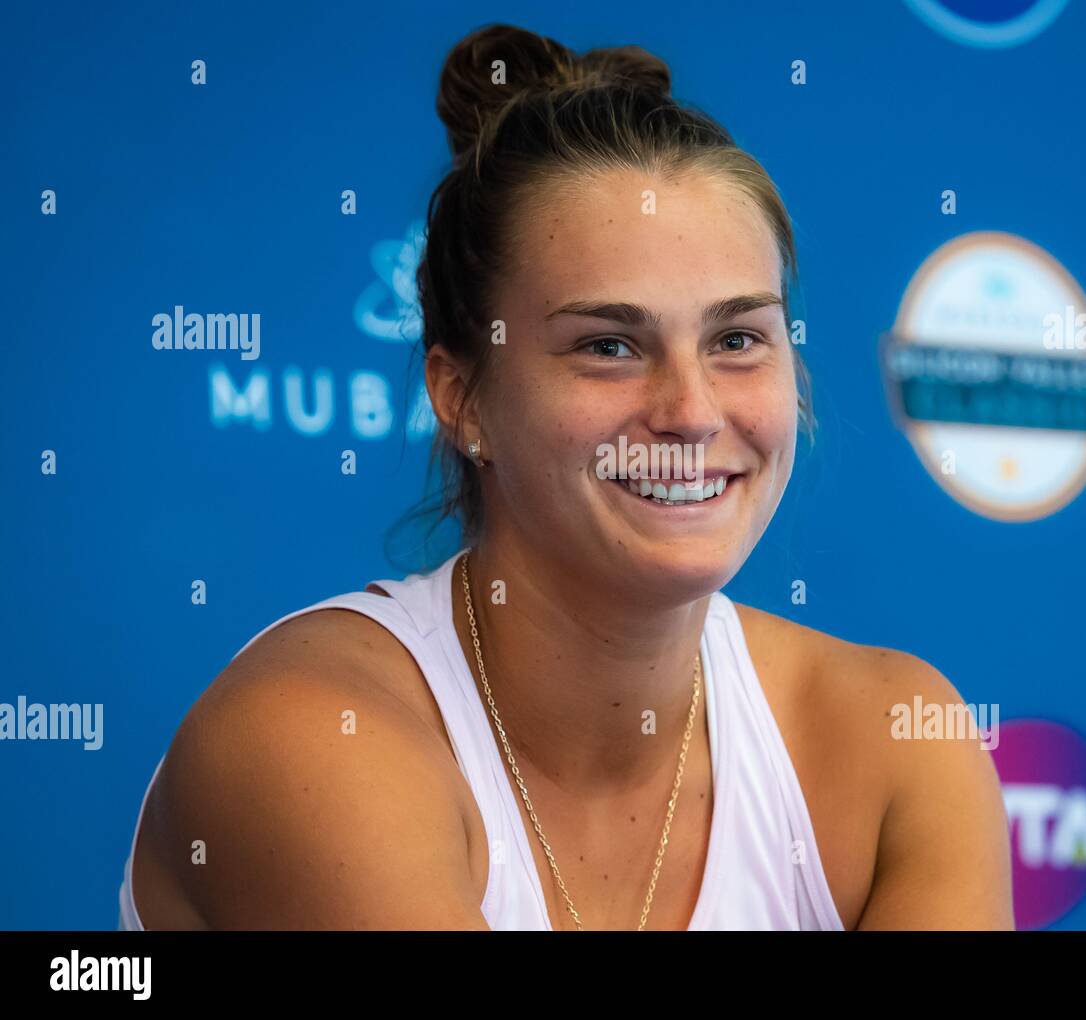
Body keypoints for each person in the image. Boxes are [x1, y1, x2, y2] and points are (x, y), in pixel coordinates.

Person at [118, 22, 1013, 931]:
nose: (693, 410)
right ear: (462, 397)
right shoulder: (312, 737)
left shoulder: (900, 742)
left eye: (737, 339)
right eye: (609, 346)